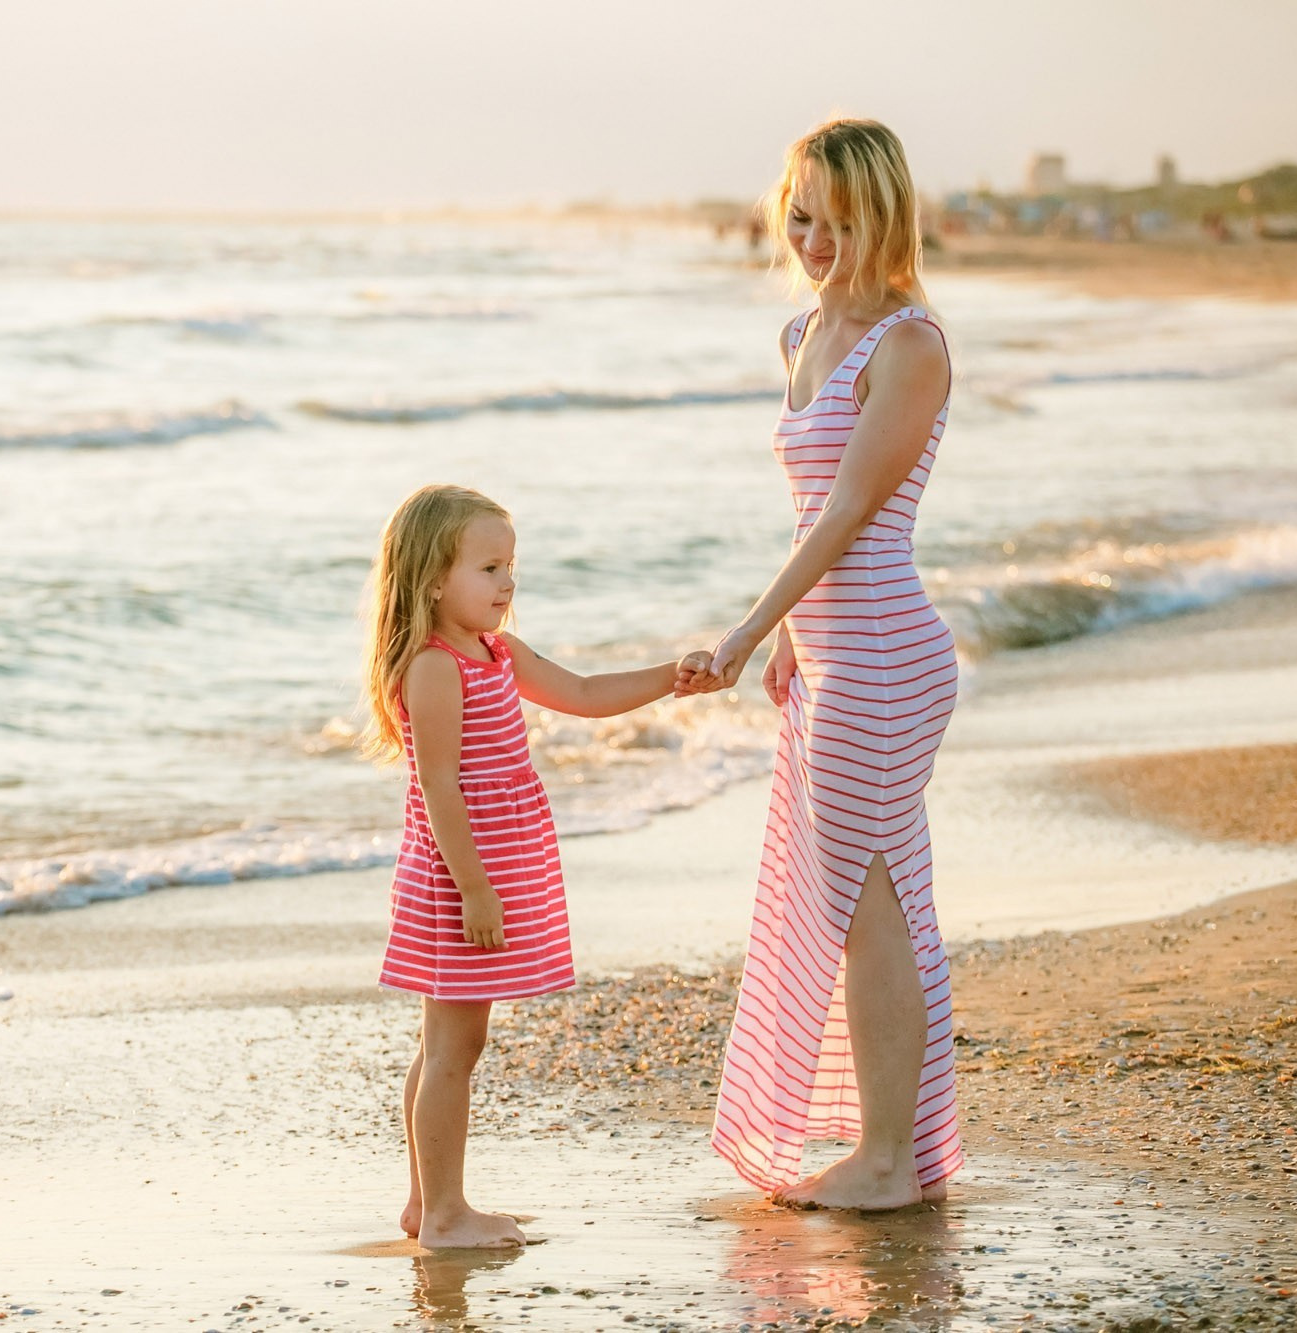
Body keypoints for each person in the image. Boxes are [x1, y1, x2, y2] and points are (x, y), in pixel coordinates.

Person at [679, 118, 964, 1211]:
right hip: (836, 657)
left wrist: (748, 629)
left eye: (838, 222)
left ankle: (887, 1159)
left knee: (869, 903)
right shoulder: (800, 332)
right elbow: (809, 507)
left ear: (882, 218)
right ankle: (897, 1151)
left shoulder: (909, 344)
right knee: (864, 900)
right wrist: (795, 639)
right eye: (799, 215)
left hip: (887, 657)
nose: (812, 238)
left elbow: (851, 512)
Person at [361, 483, 708, 1248]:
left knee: (449, 1043)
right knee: (454, 1045)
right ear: (431, 579)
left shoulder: (496, 651)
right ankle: (446, 1213)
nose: (508, 582)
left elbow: (583, 692)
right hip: (463, 875)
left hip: (493, 865)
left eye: (510, 565)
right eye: (488, 567)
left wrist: (669, 677)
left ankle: (427, 1204)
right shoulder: (435, 666)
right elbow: (438, 786)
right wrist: (476, 891)